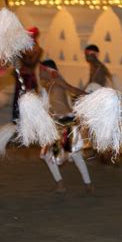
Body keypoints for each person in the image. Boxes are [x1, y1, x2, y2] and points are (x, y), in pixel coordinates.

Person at [39, 59, 93, 193]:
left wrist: (92, 96)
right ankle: (84, 185)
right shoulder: (50, 85)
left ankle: (64, 184)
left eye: (41, 70)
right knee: (73, 155)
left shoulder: (57, 80)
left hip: (66, 124)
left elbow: (72, 89)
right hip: (61, 124)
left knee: (50, 155)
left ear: (48, 70)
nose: (39, 72)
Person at [12, 26, 43, 122]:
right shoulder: (24, 48)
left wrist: (22, 54)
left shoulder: (38, 50)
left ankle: (29, 121)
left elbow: (31, 63)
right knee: (19, 99)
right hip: (21, 77)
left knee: (29, 99)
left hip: (29, 78)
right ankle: (18, 120)